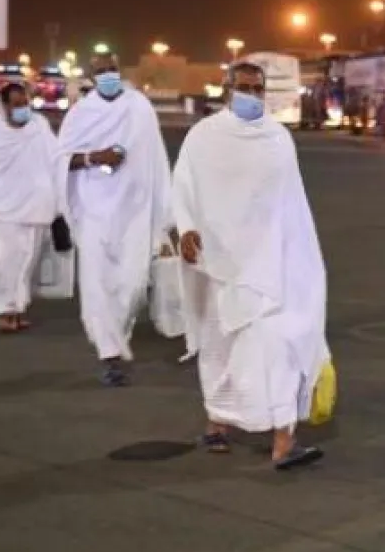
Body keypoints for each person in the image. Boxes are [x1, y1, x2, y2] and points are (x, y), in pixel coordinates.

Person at [173, 62, 328, 470]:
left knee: (274, 344)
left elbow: (291, 205)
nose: (251, 95)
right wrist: (186, 229)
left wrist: (296, 259)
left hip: (268, 264)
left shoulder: (278, 138)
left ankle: (283, 437)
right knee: (218, 344)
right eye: (243, 87)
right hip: (217, 260)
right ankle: (217, 423)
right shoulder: (203, 136)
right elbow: (183, 185)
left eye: (257, 88)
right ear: (226, 89)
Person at [59, 64, 173, 386]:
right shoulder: (81, 113)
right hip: (94, 209)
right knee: (97, 283)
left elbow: (157, 157)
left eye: (112, 68)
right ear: (92, 77)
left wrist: (165, 208)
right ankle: (109, 354)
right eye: (101, 71)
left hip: (136, 210)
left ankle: (117, 334)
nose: (108, 75)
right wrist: (96, 158)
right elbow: (61, 160)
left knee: (132, 284)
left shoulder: (140, 107)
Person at [0, 83, 66, 333]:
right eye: (16, 104)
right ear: (5, 106)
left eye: (25, 103)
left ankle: (17, 308)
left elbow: (55, 159)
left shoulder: (39, 126)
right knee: (7, 259)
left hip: (37, 203)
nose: (22, 109)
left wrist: (60, 200)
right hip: (7, 205)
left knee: (28, 260)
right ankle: (1, 310)